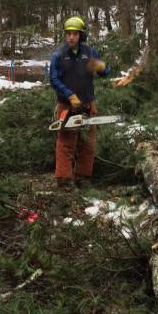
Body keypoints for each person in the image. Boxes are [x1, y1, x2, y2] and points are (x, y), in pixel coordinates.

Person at [49, 16, 111, 189]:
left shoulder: (90, 53)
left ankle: (83, 177)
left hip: (87, 103)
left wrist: (102, 67)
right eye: (68, 34)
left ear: (80, 34)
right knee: (66, 143)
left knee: (88, 143)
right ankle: (64, 179)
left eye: (74, 34)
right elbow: (54, 80)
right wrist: (69, 95)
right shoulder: (59, 56)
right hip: (67, 105)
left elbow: (105, 71)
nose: (71, 37)